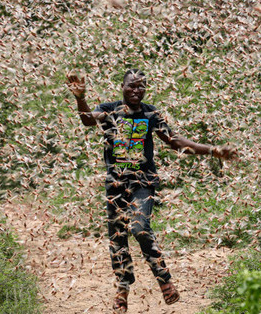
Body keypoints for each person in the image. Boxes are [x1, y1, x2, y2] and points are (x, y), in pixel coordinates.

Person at [67, 69, 237, 313]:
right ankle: (123, 290)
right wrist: (80, 98)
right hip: (115, 184)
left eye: (141, 86)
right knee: (118, 238)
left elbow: (175, 142)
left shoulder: (151, 113)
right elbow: (87, 119)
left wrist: (212, 150)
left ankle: (164, 280)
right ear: (122, 87)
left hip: (143, 182)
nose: (136, 90)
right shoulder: (109, 109)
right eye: (131, 86)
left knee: (139, 227)